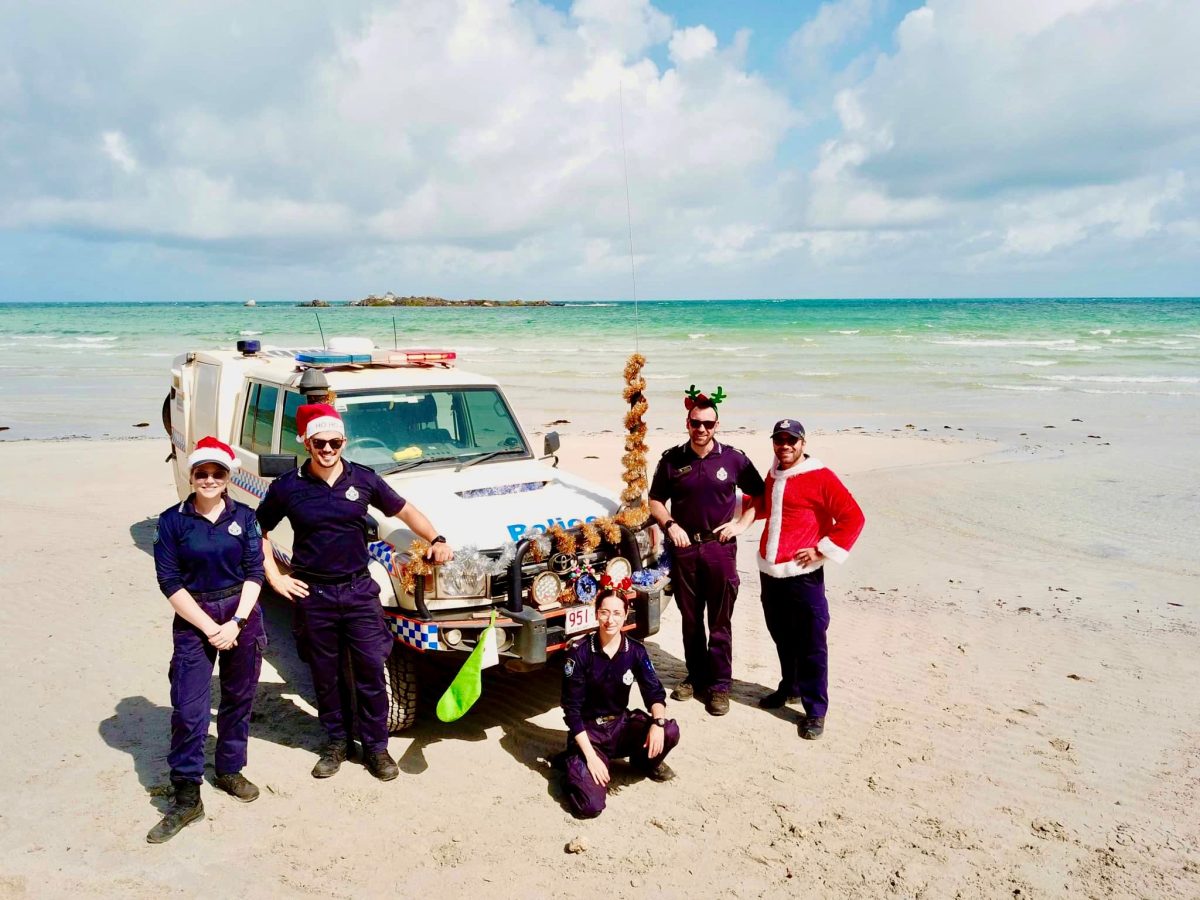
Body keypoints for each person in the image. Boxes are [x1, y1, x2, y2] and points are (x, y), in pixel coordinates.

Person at [257, 403, 453, 781]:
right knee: (325, 674)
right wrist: (275, 578)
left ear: (343, 442)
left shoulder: (363, 480)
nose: (327, 449)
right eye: (319, 443)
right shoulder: (288, 487)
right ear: (307, 444)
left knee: (370, 673)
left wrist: (436, 538)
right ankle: (336, 744)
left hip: (359, 592)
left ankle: (376, 748)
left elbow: (404, 510)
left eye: (333, 442)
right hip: (313, 595)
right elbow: (257, 532)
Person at [148, 436, 266, 843]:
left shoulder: (246, 518)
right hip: (194, 616)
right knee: (189, 708)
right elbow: (169, 581)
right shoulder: (172, 521)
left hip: (241, 614)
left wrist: (236, 621)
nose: (210, 479)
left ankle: (230, 769)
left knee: (238, 698)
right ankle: (186, 794)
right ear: (192, 475)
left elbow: (255, 572)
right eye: (203, 473)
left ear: (228, 477)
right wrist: (208, 626)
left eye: (218, 473)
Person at [648, 389, 764, 716]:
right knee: (690, 619)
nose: (702, 430)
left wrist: (741, 525)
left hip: (719, 550)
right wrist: (670, 524)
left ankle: (719, 686)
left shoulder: (734, 458)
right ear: (687, 423)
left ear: (717, 424)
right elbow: (655, 499)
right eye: (696, 423)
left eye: (708, 424)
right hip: (684, 550)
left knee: (719, 621)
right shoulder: (672, 459)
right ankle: (695, 676)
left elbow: (758, 495)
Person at [754, 419, 865, 740]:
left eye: (791, 440)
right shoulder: (774, 475)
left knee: (812, 641)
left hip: (803, 576)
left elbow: (853, 517)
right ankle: (790, 687)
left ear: (803, 443)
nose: (785, 446)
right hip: (770, 573)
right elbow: (765, 508)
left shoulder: (820, 477)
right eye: (779, 440)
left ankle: (815, 710)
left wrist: (821, 551)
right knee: (781, 636)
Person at [560, 587, 680, 818]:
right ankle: (574, 768)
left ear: (626, 615)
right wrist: (591, 758)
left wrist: (658, 723)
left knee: (669, 731)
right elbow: (571, 712)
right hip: (590, 734)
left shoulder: (635, 651)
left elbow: (654, 693)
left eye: (616, 613)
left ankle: (644, 763)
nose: (610, 619)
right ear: (596, 614)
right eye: (604, 612)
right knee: (590, 807)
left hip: (619, 726)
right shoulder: (579, 653)